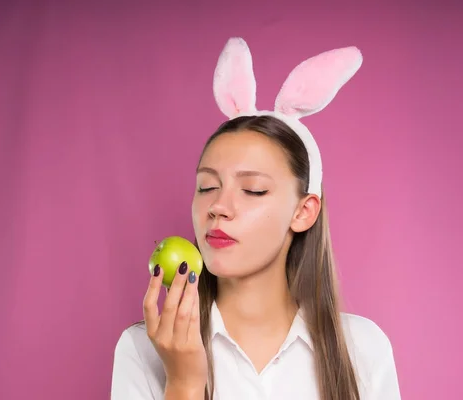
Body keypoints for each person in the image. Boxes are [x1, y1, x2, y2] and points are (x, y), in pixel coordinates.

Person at [110, 37, 401, 400]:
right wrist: (183, 384)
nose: (218, 206)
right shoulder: (142, 348)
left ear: (303, 211)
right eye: (206, 187)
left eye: (253, 190)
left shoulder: (362, 349)